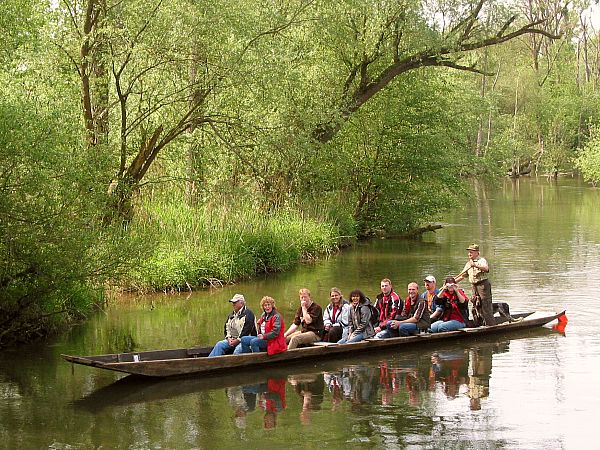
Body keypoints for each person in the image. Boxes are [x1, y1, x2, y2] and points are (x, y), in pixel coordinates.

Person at [455, 243, 495, 326]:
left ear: (477, 253)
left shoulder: (481, 260)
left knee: (485, 305)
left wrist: (475, 265)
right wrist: (453, 282)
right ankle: (478, 323)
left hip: (483, 285)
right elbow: (463, 275)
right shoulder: (468, 264)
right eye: (469, 252)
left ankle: (490, 325)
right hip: (474, 286)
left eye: (472, 252)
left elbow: (486, 268)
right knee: (475, 305)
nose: (469, 254)